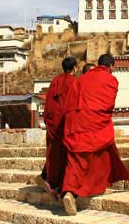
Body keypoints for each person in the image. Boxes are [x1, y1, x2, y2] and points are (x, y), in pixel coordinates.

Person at [60, 54, 129, 215]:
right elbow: (108, 105)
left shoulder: (80, 79)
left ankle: (69, 193)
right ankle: (97, 186)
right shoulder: (110, 80)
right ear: (111, 66)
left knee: (75, 160)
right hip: (94, 122)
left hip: (75, 123)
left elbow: (70, 103)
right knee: (101, 154)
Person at [36, 57, 77, 197]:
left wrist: (47, 120)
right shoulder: (74, 83)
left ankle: (47, 178)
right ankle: (57, 184)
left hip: (53, 123)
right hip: (65, 124)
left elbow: (48, 102)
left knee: (52, 152)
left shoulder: (55, 81)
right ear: (75, 68)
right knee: (63, 154)